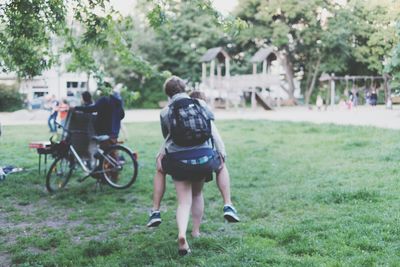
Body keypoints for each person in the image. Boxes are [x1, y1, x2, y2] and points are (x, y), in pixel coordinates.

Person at [148, 76, 239, 255]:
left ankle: (178, 232)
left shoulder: (165, 112)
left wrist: (160, 155)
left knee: (183, 201)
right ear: (185, 88)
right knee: (202, 188)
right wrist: (221, 153)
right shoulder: (200, 104)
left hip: (179, 161)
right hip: (204, 159)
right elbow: (212, 129)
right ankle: (225, 206)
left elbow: (168, 137)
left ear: (167, 93)